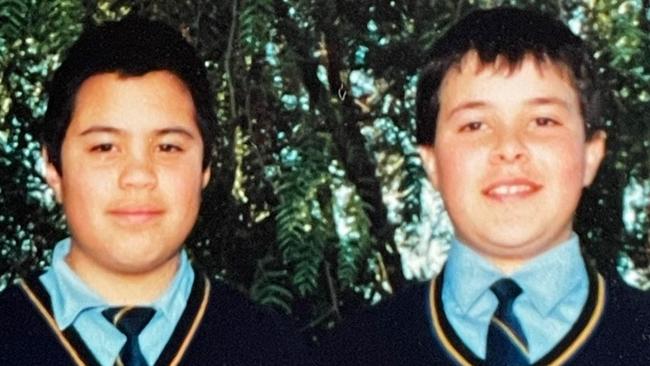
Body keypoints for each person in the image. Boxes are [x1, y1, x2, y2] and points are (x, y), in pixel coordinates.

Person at [320, 7, 650, 365]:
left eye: (542, 121)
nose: (509, 148)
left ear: (591, 155)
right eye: (475, 125)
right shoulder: (350, 351)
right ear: (432, 163)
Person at [0, 17, 310, 366]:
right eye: (105, 147)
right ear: (53, 168)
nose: (138, 175)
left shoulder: (269, 348)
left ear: (205, 166)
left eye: (167, 148)